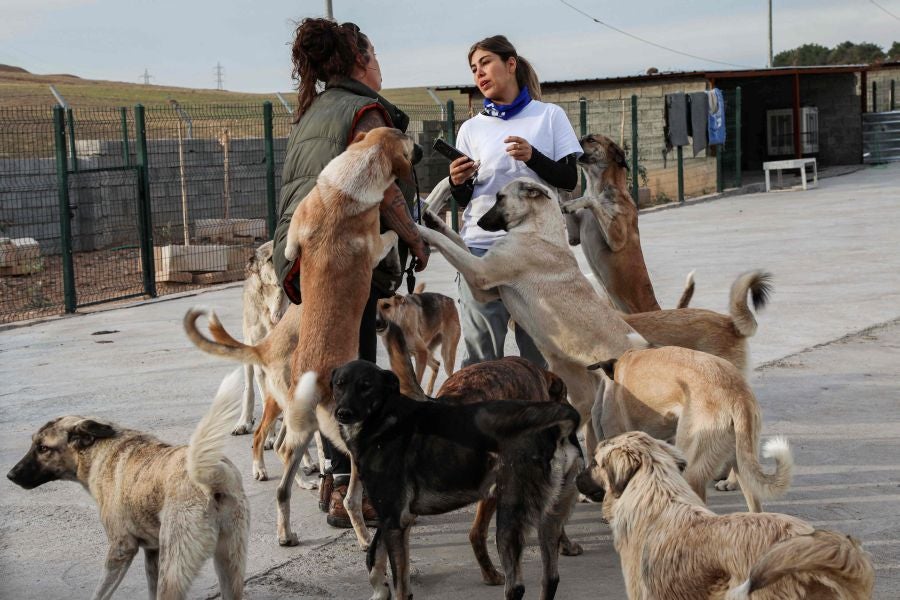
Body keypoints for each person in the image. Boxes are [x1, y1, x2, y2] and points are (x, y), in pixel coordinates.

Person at [272, 18, 429, 528]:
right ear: (359, 60)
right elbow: (382, 185)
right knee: (351, 376)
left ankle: (330, 482)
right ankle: (349, 490)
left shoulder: (314, 109)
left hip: (302, 252)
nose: (381, 64)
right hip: (343, 260)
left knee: (323, 369)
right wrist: (412, 236)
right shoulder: (365, 111)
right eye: (376, 53)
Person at [448, 35, 582, 368]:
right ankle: (478, 418)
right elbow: (467, 198)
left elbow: (569, 180)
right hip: (482, 250)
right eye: (474, 68)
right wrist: (457, 182)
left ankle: (538, 418)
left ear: (511, 64)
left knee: (540, 354)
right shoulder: (471, 129)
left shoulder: (549, 116)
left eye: (486, 63)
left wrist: (533, 156)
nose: (479, 73)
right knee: (482, 356)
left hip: (535, 250)